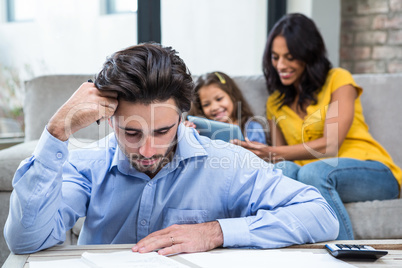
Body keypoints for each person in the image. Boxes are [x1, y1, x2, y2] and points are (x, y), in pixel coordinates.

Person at [4, 42, 339, 255]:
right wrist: (56, 131)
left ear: (183, 116)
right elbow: (26, 241)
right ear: (110, 120)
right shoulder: (87, 165)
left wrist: (216, 232)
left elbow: (321, 215)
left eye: (162, 130)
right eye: (131, 132)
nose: (147, 149)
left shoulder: (228, 163)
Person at [233, 13, 401, 240]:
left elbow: (331, 145)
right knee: (284, 173)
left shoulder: (338, 79)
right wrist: (254, 154)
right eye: (275, 57)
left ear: (308, 55)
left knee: (314, 172)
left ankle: (345, 259)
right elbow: (283, 161)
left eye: (290, 57)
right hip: (311, 176)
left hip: (371, 171)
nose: (281, 65)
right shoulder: (275, 103)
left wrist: (272, 152)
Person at [186, 71, 267, 144]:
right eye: (206, 105)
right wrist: (185, 132)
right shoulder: (201, 130)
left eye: (219, 99)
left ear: (233, 96)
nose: (214, 107)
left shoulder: (251, 127)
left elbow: (260, 155)